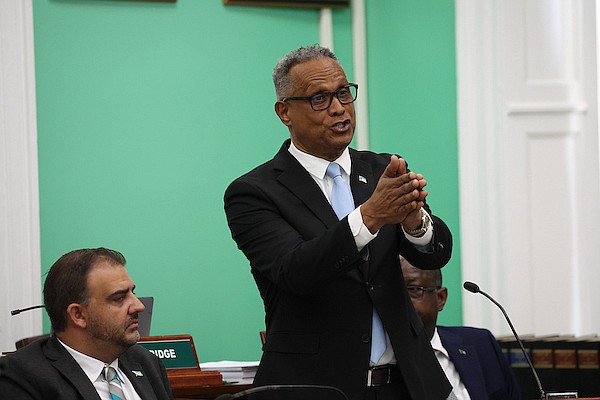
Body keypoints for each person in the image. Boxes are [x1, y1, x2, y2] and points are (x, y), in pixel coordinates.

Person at [224, 45, 454, 400]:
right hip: (317, 387)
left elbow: (435, 254)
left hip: (405, 385)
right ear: (285, 111)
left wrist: (414, 221)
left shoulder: (382, 170)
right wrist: (371, 216)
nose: (338, 108)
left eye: (343, 93)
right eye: (319, 98)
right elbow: (296, 271)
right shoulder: (254, 192)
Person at [0, 248, 174, 400]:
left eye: (132, 293)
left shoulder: (146, 362)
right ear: (78, 315)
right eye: (119, 298)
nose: (139, 306)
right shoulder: (20, 377)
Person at [400, 256, 521, 400]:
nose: (401, 301)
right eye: (391, 292)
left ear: (440, 298)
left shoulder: (480, 344)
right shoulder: (377, 363)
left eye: (413, 289)